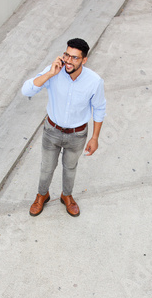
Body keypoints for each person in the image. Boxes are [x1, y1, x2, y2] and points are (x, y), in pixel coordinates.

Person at [21, 38, 106, 217]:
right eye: (66, 55)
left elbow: (99, 108)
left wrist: (95, 137)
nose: (68, 60)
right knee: (46, 167)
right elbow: (27, 91)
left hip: (77, 134)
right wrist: (50, 74)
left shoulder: (94, 81)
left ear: (84, 60)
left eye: (74, 58)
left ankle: (66, 196)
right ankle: (42, 195)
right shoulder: (54, 71)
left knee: (70, 168)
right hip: (52, 131)